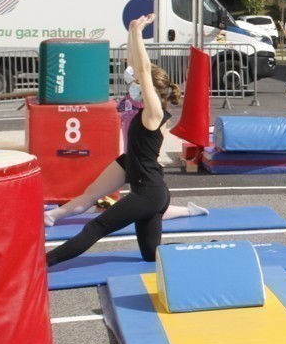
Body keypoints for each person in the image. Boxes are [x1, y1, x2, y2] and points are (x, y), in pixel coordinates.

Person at [45, 15, 203, 267]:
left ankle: (42, 263)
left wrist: (140, 34)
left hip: (149, 193)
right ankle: (53, 217)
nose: (133, 83)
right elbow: (135, 67)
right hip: (143, 180)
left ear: (149, 88)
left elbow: (142, 69)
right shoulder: (145, 108)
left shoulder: (154, 113)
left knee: (96, 228)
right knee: (151, 254)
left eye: (139, 83)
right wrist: (132, 30)